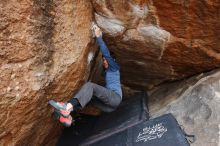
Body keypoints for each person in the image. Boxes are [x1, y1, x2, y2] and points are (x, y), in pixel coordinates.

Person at [49, 24, 122, 127]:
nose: (105, 62)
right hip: (109, 107)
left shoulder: (114, 67)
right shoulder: (107, 72)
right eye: (104, 61)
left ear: (113, 61)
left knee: (90, 86)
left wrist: (99, 37)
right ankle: (67, 115)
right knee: (88, 98)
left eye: (106, 61)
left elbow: (106, 53)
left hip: (115, 98)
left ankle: (67, 107)